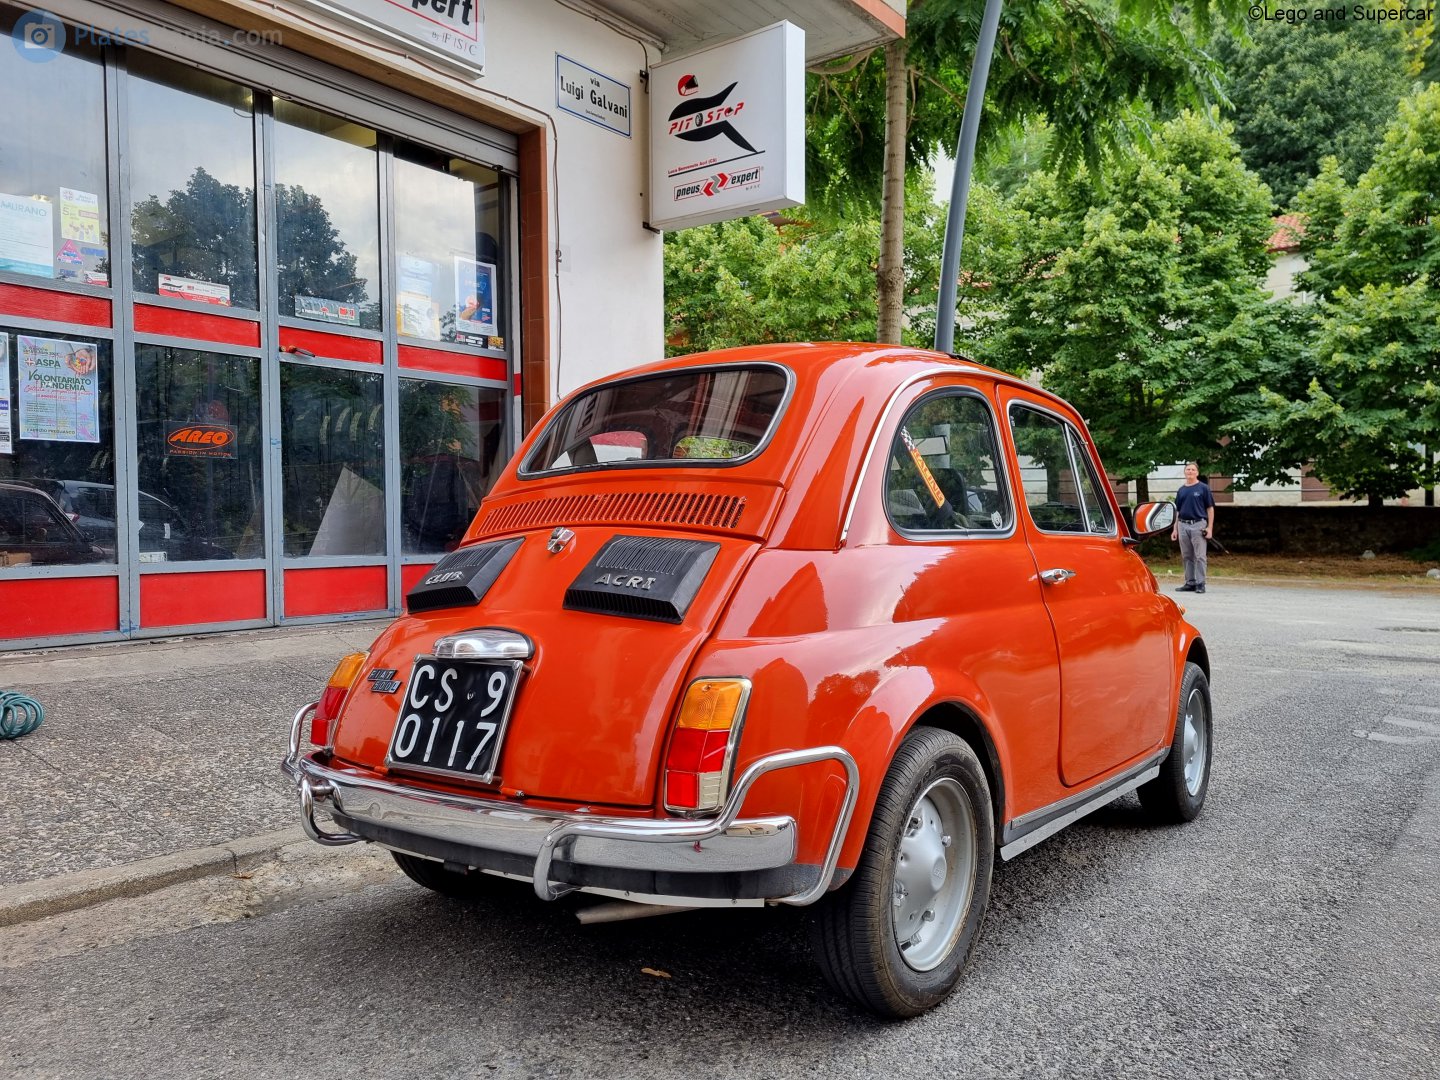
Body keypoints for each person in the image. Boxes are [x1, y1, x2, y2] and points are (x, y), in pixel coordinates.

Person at [1171, 462, 1216, 593]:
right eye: (1188, 469)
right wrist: (1175, 529)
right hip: (1182, 524)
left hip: (1198, 524)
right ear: (1185, 472)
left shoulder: (1203, 488)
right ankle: (1190, 582)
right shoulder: (1181, 490)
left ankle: (1200, 583)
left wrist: (1210, 528)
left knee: (1200, 555)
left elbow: (1210, 508)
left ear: (1197, 472)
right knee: (1186, 555)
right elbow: (1177, 511)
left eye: (1193, 469)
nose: (1190, 471)